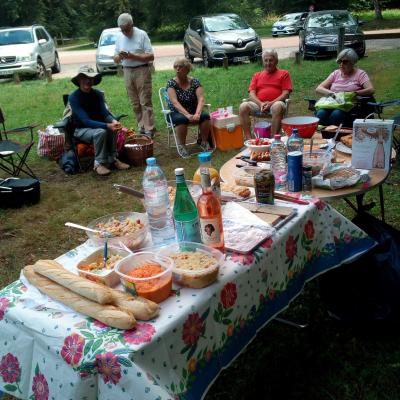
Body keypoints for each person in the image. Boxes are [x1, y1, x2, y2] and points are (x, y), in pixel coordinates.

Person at [69, 65, 130, 176]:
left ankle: (113, 159)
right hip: (81, 129)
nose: (88, 81)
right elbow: (85, 121)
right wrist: (107, 125)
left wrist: (113, 121)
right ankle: (98, 163)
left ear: (94, 80)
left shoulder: (97, 94)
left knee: (112, 129)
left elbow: (104, 113)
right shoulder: (74, 97)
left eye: (90, 78)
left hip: (98, 126)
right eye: (84, 78)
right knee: (101, 132)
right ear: (79, 80)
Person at [113, 13, 157, 138]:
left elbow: (151, 55)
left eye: (126, 29)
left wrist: (133, 56)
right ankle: (141, 125)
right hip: (127, 70)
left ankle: (149, 128)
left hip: (141, 70)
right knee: (135, 102)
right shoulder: (119, 37)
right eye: (122, 30)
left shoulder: (141, 34)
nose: (124, 32)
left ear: (132, 25)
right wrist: (119, 56)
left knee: (145, 100)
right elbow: (115, 57)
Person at [239, 49, 292, 140]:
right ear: (263, 62)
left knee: (277, 106)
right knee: (243, 106)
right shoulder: (257, 75)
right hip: (258, 104)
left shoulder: (284, 74)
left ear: (276, 61)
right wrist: (261, 103)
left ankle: (273, 140)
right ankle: (249, 140)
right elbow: (251, 94)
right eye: (266, 60)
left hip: (276, 103)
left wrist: (270, 103)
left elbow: (286, 94)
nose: (268, 63)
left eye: (271, 60)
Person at [315, 48, 375, 127]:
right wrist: (333, 94)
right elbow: (319, 88)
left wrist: (355, 93)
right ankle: (324, 137)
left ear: (352, 62)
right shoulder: (336, 73)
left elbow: (371, 89)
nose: (341, 64)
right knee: (320, 114)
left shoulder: (360, 74)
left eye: (345, 62)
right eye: (340, 61)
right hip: (332, 103)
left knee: (336, 114)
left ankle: (336, 137)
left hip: (349, 106)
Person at [166, 57, 212, 157]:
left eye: (180, 66)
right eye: (175, 66)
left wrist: (197, 113)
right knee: (181, 119)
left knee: (205, 116)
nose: (177, 69)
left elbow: (201, 99)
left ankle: (204, 142)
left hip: (194, 110)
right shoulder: (171, 83)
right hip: (176, 112)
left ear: (187, 69)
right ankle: (182, 146)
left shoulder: (195, 82)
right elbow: (175, 102)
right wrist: (187, 115)